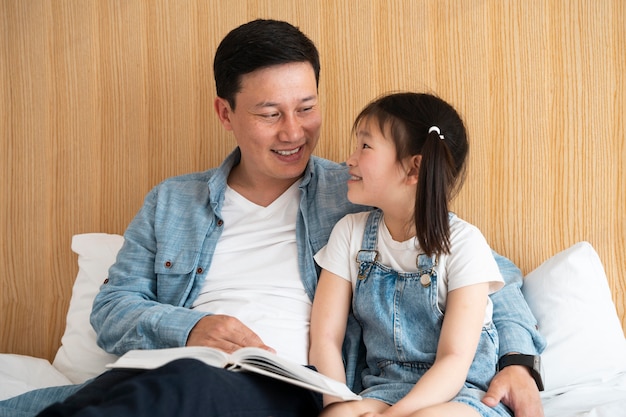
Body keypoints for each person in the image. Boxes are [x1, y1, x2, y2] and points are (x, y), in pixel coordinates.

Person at [0, 19, 545, 417]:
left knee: (186, 391)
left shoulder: (360, 193)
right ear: (226, 112)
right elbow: (114, 308)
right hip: (171, 372)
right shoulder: (172, 202)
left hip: (281, 386)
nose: (294, 132)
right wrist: (194, 327)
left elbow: (491, 276)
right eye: (269, 113)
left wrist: (519, 360)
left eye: (306, 107)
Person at [310, 92, 512, 417]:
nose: (349, 159)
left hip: (461, 395)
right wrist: (338, 407)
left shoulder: (464, 244)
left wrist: (395, 416)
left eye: (365, 146)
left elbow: (454, 360)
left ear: (414, 167)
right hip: (383, 389)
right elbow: (325, 338)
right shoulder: (349, 234)